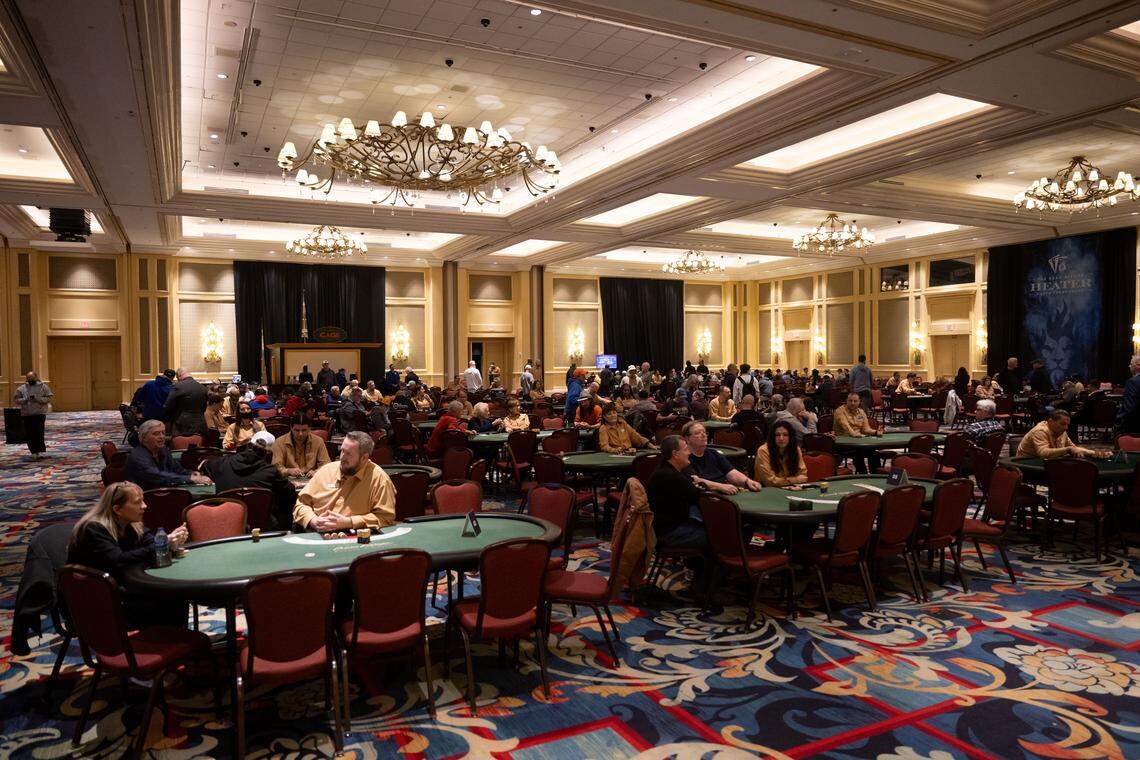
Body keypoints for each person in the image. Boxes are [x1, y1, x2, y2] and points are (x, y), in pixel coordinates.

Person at [67, 482, 190, 628]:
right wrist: (161, 545)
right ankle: (164, 643)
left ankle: (175, 641)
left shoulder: (132, 523)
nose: (144, 506)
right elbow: (118, 560)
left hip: (125, 585)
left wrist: (171, 543)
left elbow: (149, 543)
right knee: (170, 597)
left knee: (174, 594)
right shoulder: (94, 529)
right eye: (138, 502)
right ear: (117, 509)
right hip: (101, 599)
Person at [646, 436, 732, 557]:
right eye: (686, 449)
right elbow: (701, 498)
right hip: (669, 534)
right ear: (675, 454)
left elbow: (695, 491)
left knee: (715, 529)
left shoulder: (667, 470)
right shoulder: (670, 476)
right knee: (722, 535)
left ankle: (700, 568)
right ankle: (709, 574)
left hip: (671, 526)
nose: (689, 452)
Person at [294, 431, 396, 533]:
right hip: (316, 533)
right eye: (342, 451)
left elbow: (386, 517)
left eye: (348, 454)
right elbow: (301, 504)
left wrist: (349, 522)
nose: (342, 457)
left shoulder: (379, 480)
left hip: (355, 536)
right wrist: (313, 520)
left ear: (364, 458)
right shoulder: (326, 471)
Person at [202, 431, 296, 528]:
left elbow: (203, 465)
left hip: (225, 524)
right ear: (268, 453)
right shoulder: (271, 472)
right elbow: (290, 493)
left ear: (248, 445)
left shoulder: (222, 463)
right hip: (263, 527)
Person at [125, 419, 212, 489]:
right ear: (143, 437)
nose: (162, 437)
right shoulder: (138, 456)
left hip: (164, 490)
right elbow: (157, 476)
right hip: (144, 497)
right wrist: (190, 479)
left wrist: (191, 473)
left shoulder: (163, 450)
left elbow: (176, 468)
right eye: (156, 434)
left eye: (163, 433)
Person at [682, 421, 760, 491]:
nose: (703, 435)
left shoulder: (714, 454)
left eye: (705, 432)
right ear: (687, 439)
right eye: (697, 433)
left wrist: (747, 481)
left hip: (723, 492)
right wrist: (720, 486)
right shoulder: (684, 458)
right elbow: (695, 481)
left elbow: (731, 473)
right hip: (705, 496)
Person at [1015, 409, 1098, 459]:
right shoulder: (1040, 431)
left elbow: (1073, 448)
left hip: (1044, 463)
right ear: (1051, 421)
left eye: (1067, 424)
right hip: (1026, 465)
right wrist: (1068, 449)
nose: (1066, 427)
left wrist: (1094, 453)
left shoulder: (1061, 431)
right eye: (1062, 424)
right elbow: (1043, 453)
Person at [833, 392, 882, 473]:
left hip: (858, 442)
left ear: (859, 402)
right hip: (843, 444)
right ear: (846, 401)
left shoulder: (861, 412)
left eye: (855, 401)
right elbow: (846, 426)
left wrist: (876, 432)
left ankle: (876, 475)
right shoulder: (840, 411)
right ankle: (863, 475)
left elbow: (866, 429)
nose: (852, 403)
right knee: (858, 453)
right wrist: (853, 434)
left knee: (873, 452)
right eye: (850, 401)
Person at [754, 421, 809, 486]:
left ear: (790, 437)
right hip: (766, 490)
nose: (781, 438)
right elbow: (769, 481)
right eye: (777, 435)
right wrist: (795, 480)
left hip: (792, 488)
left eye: (785, 435)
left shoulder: (796, 449)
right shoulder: (763, 451)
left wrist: (792, 482)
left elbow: (803, 475)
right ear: (773, 437)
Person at [14, 371, 53, 458]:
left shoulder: (43, 387)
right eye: (28, 378)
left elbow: (49, 397)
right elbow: (16, 400)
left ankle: (40, 451)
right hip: (27, 414)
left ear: (36, 377)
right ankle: (34, 452)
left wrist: (38, 399)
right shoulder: (21, 388)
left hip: (39, 413)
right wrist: (25, 399)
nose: (30, 380)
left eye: (32, 378)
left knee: (39, 432)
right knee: (29, 433)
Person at [1118, 355, 1140, 436]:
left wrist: (1118, 422)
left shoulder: (1132, 382)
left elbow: (1130, 408)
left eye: (1131, 364)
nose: (1129, 366)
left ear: (1138, 366)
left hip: (1134, 427)